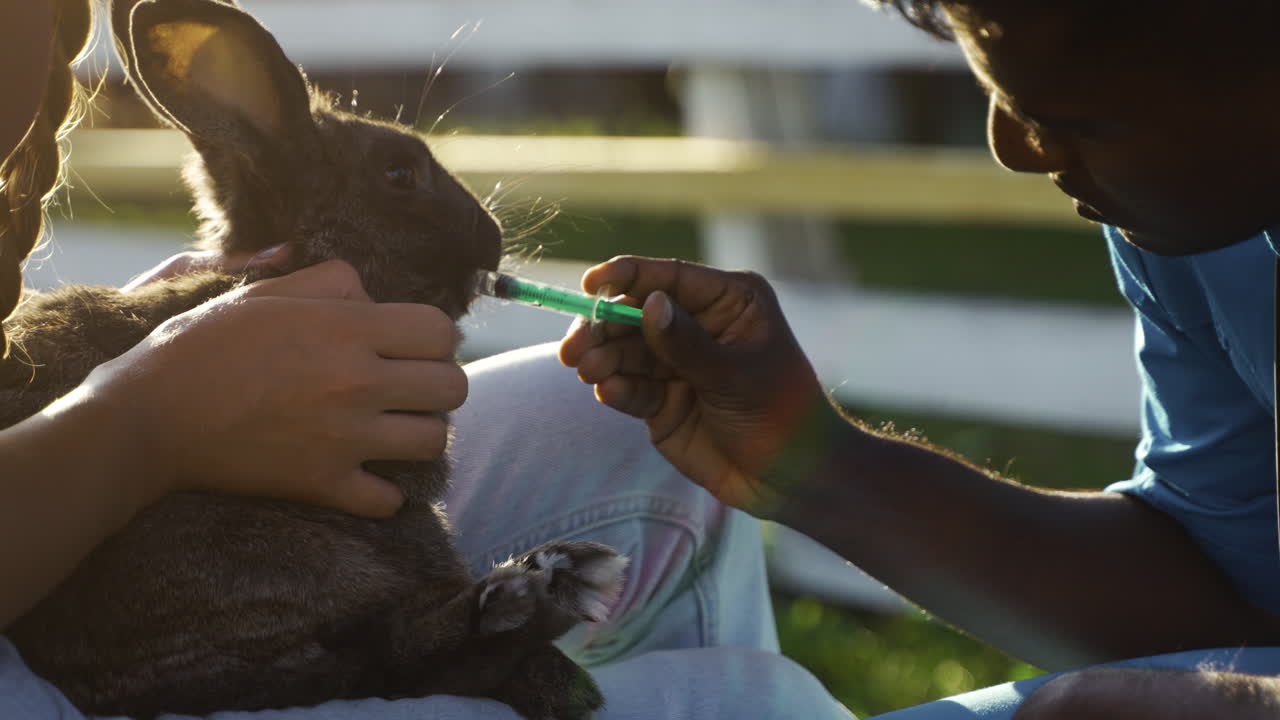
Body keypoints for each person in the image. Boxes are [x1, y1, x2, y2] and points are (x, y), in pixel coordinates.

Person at [0, 2, 852, 719]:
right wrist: (149, 418)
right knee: (752, 699)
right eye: (402, 181)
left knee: (633, 440)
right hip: (108, 672)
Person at [559, 1, 1280, 718]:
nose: (1016, 148)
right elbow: (1225, 596)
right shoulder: (1209, 225)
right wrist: (817, 462)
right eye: (1003, 96)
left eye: (1081, 122)